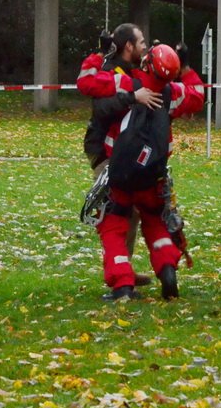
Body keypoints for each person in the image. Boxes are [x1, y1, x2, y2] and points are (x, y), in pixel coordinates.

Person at [80, 31, 205, 300]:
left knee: (112, 225)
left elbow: (88, 81)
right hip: (152, 175)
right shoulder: (173, 93)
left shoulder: (128, 83)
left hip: (121, 173)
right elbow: (198, 94)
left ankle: (122, 282)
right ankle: (167, 267)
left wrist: (100, 54)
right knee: (155, 221)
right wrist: (184, 65)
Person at [78, 25, 160, 286]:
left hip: (128, 151)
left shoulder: (132, 71)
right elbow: (102, 109)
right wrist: (132, 97)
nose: (145, 47)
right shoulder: (108, 72)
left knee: (132, 212)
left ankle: (124, 267)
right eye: (142, 42)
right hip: (106, 151)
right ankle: (117, 272)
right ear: (128, 46)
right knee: (115, 214)